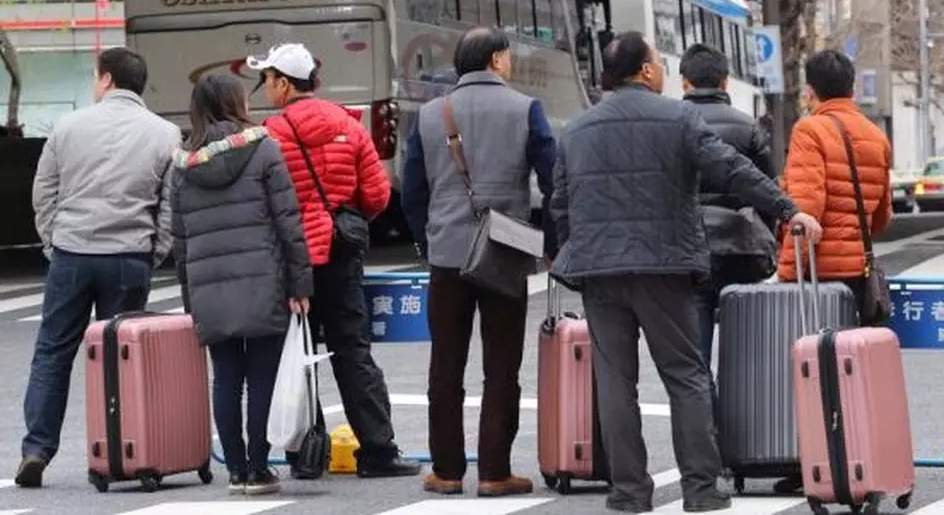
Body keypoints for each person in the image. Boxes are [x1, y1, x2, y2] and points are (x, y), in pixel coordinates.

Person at [549, 31, 820, 513]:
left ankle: (629, 492)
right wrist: (787, 210)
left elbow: (561, 205)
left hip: (599, 271)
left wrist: (575, 251)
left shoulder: (577, 129)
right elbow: (732, 169)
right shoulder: (678, 117)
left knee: (615, 382)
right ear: (647, 71)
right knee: (686, 375)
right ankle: (700, 489)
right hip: (664, 266)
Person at [249, 42, 421, 479]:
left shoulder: (271, 132)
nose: (266, 88)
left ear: (284, 84)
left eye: (268, 80)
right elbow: (378, 194)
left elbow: (262, 201)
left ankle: (307, 454)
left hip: (293, 256)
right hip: (342, 249)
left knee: (297, 350)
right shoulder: (347, 124)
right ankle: (379, 451)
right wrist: (343, 214)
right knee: (351, 348)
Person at [401, 26, 556, 497]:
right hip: (504, 251)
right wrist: (548, 239)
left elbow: (412, 190)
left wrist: (427, 242)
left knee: (444, 364)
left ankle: (447, 470)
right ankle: (494, 471)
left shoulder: (431, 115)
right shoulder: (525, 108)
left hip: (447, 253)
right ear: (496, 60)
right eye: (506, 56)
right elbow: (554, 178)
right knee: (502, 365)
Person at [18, 47, 180, 488]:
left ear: (106, 79)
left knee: (53, 352)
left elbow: (44, 190)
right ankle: (120, 451)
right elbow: (170, 205)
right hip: (129, 255)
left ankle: (36, 449)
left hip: (73, 253)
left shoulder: (68, 126)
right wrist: (154, 251)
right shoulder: (166, 133)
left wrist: (55, 239)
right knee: (120, 357)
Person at [169, 75, 313, 495]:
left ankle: (234, 469)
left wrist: (189, 295)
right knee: (263, 376)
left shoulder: (183, 163)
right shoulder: (263, 147)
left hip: (209, 287)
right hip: (263, 282)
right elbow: (288, 222)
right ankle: (258, 468)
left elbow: (180, 240)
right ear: (235, 103)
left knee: (227, 377)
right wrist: (300, 282)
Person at [773, 49, 892, 495]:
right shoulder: (874, 135)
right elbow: (881, 218)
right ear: (852, 86)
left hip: (815, 277)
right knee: (848, 370)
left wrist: (785, 266)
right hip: (858, 273)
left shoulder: (810, 129)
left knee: (811, 371)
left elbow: (807, 213)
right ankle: (854, 461)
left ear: (810, 91)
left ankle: (813, 464)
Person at [678, 43, 776, 369]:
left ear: (684, 83)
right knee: (743, 350)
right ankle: (740, 410)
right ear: (725, 82)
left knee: (696, 356)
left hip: (687, 248)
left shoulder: (669, 125)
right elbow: (766, 190)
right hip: (739, 247)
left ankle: (706, 415)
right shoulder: (749, 127)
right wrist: (765, 237)